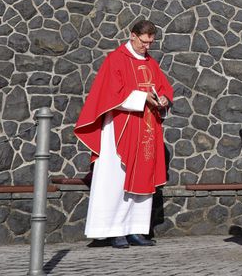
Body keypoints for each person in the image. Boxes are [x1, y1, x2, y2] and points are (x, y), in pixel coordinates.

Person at [74, 19, 174, 249]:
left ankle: (135, 229)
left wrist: (164, 99)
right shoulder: (115, 60)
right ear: (132, 36)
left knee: (143, 177)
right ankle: (112, 230)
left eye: (151, 43)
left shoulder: (151, 63)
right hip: (120, 129)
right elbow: (111, 93)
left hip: (146, 128)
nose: (147, 47)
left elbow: (163, 87)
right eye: (143, 42)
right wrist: (142, 97)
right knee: (115, 179)